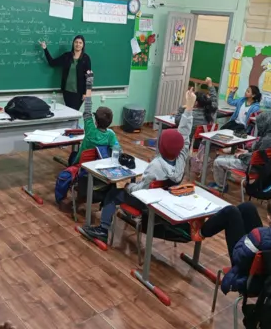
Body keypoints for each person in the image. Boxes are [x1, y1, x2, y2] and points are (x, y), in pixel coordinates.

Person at [81, 89, 195, 241]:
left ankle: (103, 230)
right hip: (161, 199)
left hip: (147, 203)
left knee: (114, 193)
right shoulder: (181, 158)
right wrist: (189, 107)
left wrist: (129, 187)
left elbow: (142, 190)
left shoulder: (156, 165)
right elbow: (185, 134)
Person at [192, 198, 271, 295]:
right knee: (247, 207)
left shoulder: (259, 235)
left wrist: (246, 239)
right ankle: (204, 231)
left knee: (231, 212)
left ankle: (201, 232)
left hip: (253, 280)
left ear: (269, 220)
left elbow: (238, 257)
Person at [208, 111, 271, 193]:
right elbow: (258, 154)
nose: (258, 126)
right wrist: (246, 152)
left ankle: (221, 186)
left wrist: (240, 155)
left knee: (218, 161)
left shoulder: (266, 140)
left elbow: (253, 158)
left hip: (251, 167)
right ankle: (225, 179)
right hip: (260, 166)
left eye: (259, 123)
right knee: (223, 157)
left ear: (264, 124)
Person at [70, 70, 118, 165]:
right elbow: (117, 151)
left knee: (73, 155)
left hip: (82, 164)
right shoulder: (111, 135)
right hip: (99, 165)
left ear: (95, 122)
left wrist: (89, 85)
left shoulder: (90, 130)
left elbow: (87, 108)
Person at [40, 35, 91, 110]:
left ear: (83, 45)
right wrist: (45, 49)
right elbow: (52, 63)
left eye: (80, 43)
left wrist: (86, 92)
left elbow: (89, 76)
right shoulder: (67, 56)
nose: (78, 44)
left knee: (74, 113)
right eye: (76, 42)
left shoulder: (86, 58)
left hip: (79, 93)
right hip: (67, 91)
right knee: (69, 111)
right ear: (73, 43)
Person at [174, 77, 218, 149]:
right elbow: (214, 99)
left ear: (196, 103)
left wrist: (185, 106)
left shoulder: (191, 115)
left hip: (190, 144)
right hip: (204, 144)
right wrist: (210, 84)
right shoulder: (212, 110)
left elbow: (177, 121)